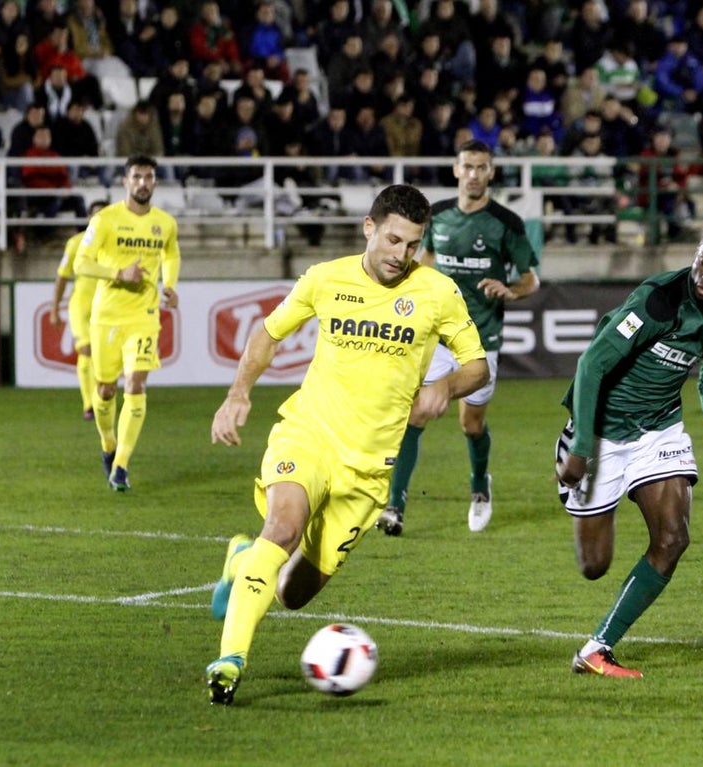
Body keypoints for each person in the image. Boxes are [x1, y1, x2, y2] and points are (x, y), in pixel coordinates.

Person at [204, 184, 489, 705]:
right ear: (369, 228)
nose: (401, 256)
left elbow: (477, 365)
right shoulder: (325, 278)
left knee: (292, 593)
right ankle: (230, 661)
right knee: (284, 525)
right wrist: (237, 394)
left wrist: (445, 386)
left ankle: (242, 558)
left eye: (413, 245)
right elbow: (268, 334)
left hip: (368, 471)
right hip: (309, 433)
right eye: (394, 240)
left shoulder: (437, 293)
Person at [555, 217, 703, 678]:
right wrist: (581, 446)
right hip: (601, 434)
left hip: (658, 431)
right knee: (594, 566)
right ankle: (590, 483)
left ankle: (597, 648)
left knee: (673, 538)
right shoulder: (658, 300)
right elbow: (591, 365)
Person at [375, 140, 539, 538]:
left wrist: (510, 290)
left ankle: (480, 485)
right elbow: (425, 260)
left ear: (491, 173)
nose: (474, 174)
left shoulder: (506, 223)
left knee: (471, 423)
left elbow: (531, 278)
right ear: (455, 169)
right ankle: (394, 506)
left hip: (482, 342)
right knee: (416, 413)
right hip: (441, 338)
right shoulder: (438, 217)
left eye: (482, 167)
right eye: (467, 166)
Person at [74, 155, 180, 492]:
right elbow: (81, 263)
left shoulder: (165, 223)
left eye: (149, 177)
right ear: (125, 181)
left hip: (144, 316)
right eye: (137, 177)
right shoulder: (105, 220)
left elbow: (171, 253)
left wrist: (170, 285)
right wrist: (119, 273)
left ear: (155, 182)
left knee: (136, 384)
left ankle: (121, 465)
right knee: (105, 389)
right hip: (106, 316)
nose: (143, 183)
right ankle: (108, 444)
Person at [50, 200, 108, 421]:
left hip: (106, 306)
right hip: (81, 305)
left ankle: (100, 396)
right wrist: (55, 309)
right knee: (86, 350)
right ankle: (89, 404)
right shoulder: (75, 243)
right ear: (88, 219)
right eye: (96, 215)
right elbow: (62, 277)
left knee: (102, 356)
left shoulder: (116, 246)